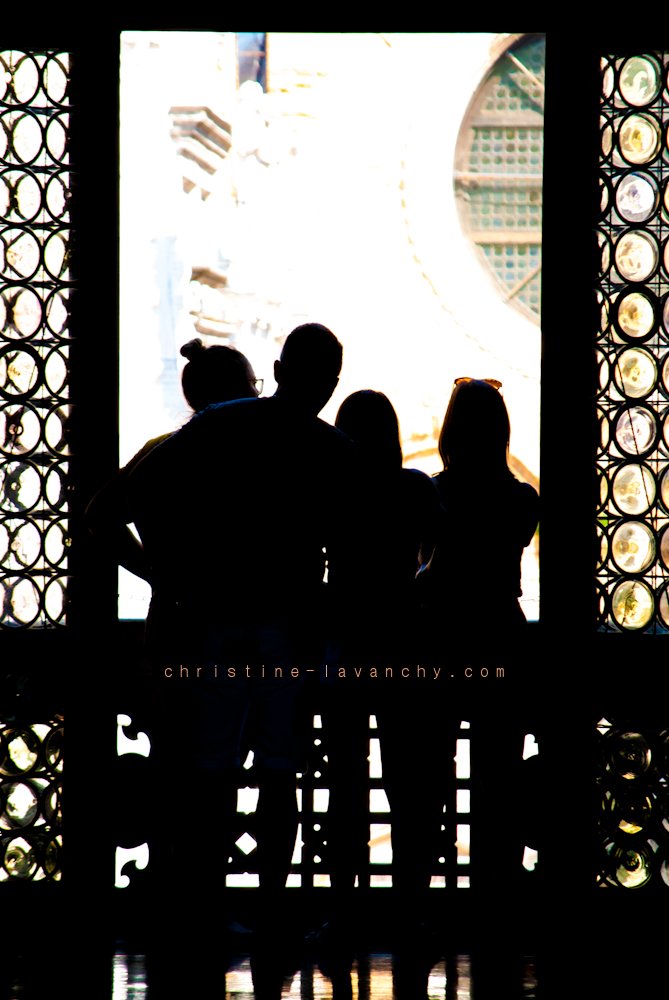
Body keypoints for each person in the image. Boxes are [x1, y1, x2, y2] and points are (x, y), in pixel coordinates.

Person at [125, 323, 358, 942]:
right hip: (290, 631)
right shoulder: (333, 450)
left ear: (278, 370)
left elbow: (117, 506)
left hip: (216, 624)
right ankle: (273, 912)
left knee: (212, 773)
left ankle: (208, 908)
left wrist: (171, 576)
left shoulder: (215, 427)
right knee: (280, 774)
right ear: (332, 382)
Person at [318, 389, 444, 957]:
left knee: (345, 783)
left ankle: (343, 914)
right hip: (403, 639)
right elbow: (444, 548)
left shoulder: (332, 492)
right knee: (407, 784)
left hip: (345, 641)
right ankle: (409, 915)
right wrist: (416, 584)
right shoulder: (414, 488)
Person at [418, 376, 540, 898]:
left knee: (431, 771)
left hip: (442, 635)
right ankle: (497, 890)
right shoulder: (522, 500)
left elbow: (427, 565)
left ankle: (429, 889)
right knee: (499, 774)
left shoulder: (433, 494)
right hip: (500, 634)